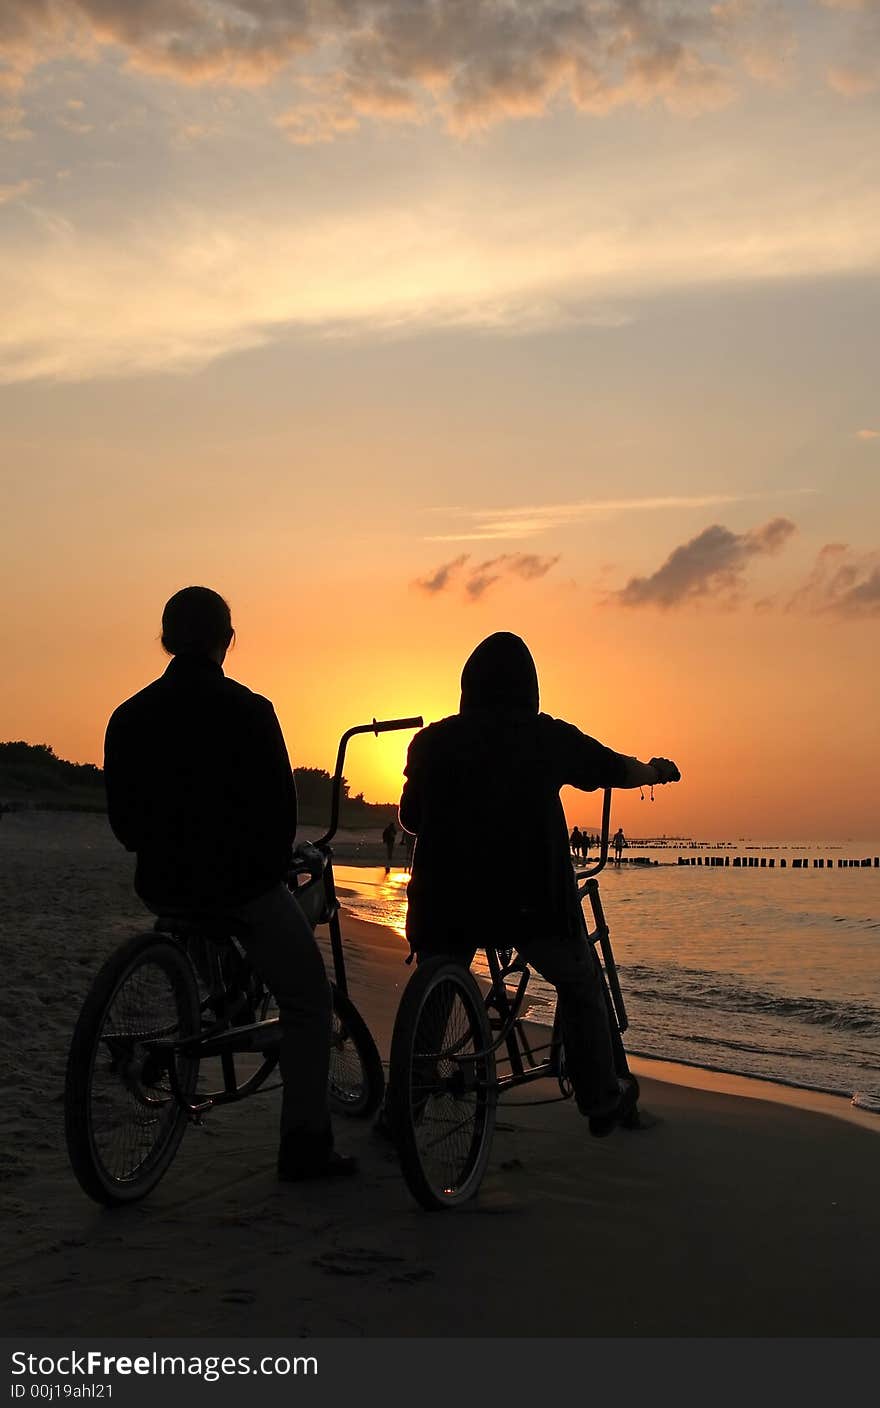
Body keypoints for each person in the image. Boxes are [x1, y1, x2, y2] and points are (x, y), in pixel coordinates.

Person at [103, 586, 355, 1183]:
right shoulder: (249, 710)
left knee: (210, 921)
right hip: (238, 886)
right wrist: (261, 867)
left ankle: (211, 991)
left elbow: (125, 824)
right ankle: (304, 1145)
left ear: (166, 639)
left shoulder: (129, 715)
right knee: (308, 1000)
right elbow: (280, 818)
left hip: (162, 885)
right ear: (228, 640)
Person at [398, 632, 680, 1135]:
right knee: (579, 981)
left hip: (444, 903)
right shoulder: (544, 736)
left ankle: (405, 1102)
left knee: (438, 986)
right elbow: (613, 768)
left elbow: (412, 819)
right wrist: (655, 771)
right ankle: (599, 1100)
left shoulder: (431, 741)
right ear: (529, 686)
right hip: (530, 904)